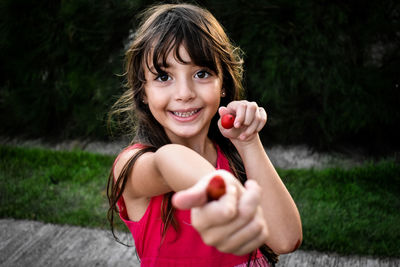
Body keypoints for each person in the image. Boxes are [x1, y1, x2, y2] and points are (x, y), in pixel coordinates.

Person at [107, 3, 302, 267]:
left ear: (223, 84)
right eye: (164, 77)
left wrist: (248, 141)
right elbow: (168, 161)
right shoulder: (133, 167)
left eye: (201, 73)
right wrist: (221, 190)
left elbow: (286, 240)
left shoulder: (234, 155)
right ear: (143, 91)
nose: (184, 92)